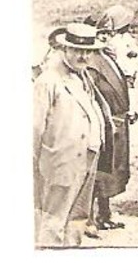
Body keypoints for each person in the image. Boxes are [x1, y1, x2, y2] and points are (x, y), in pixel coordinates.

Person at [34, 23, 109, 247]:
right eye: (77, 50)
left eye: (87, 51)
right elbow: (34, 128)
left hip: (87, 158)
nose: (83, 56)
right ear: (65, 49)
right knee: (53, 221)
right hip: (60, 163)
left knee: (77, 219)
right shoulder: (49, 81)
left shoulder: (84, 76)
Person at [84, 5, 138, 233]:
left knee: (110, 172)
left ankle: (104, 215)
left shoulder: (108, 56)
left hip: (118, 121)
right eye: (101, 34)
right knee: (99, 173)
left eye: (108, 33)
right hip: (106, 123)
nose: (106, 37)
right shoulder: (91, 63)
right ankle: (89, 219)